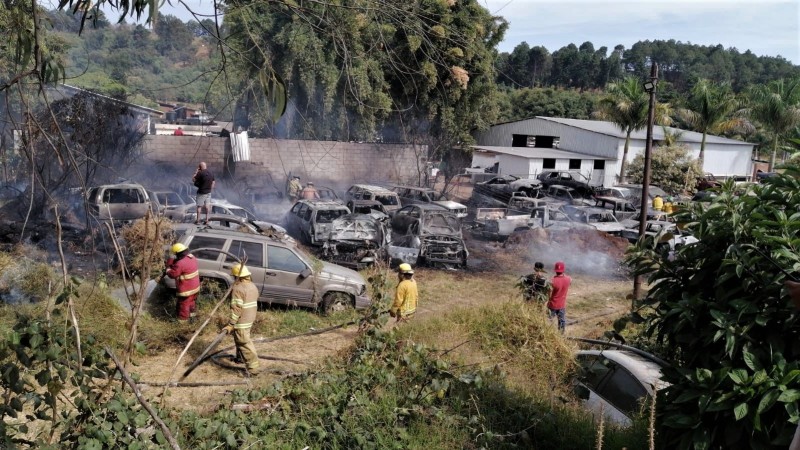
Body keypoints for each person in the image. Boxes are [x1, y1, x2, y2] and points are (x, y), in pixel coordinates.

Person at [222, 264, 260, 374]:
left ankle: (253, 369)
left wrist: (231, 324)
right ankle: (240, 358)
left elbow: (236, 309)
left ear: (238, 277)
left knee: (244, 343)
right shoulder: (252, 285)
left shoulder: (238, 289)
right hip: (250, 318)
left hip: (242, 321)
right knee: (239, 339)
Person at [165, 243, 200, 322]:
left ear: (178, 253)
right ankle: (193, 318)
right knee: (191, 302)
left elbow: (173, 274)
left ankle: (182, 323)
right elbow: (184, 266)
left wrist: (168, 269)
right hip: (195, 288)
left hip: (186, 290)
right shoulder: (192, 257)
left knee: (183, 305)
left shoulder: (180, 263)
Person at [547, 261, 571, 333]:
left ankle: (548, 333)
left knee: (549, 320)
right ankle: (561, 335)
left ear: (555, 270)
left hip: (552, 305)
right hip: (561, 305)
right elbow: (569, 281)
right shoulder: (569, 279)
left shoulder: (552, 281)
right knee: (561, 320)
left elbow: (549, 294)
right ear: (563, 270)